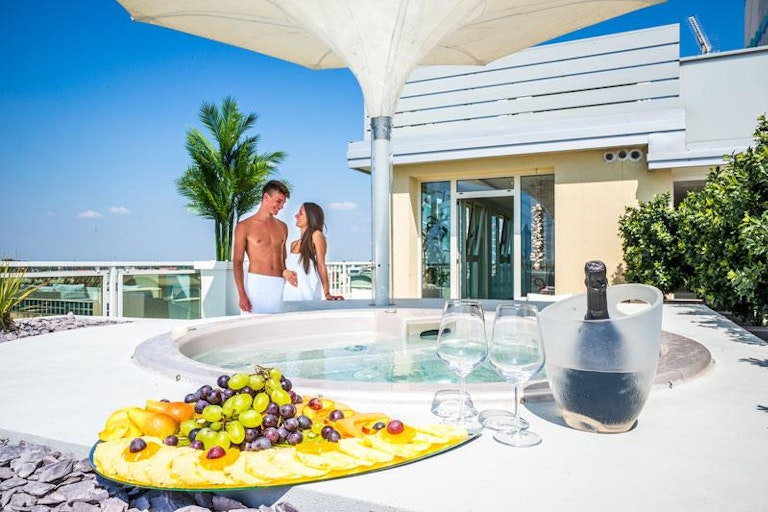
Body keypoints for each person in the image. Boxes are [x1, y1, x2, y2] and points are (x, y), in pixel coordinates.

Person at [233, 180, 290, 314]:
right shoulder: (244, 226)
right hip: (257, 285)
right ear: (266, 197)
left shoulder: (283, 227)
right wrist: (242, 294)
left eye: (283, 203)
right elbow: (237, 262)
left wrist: (287, 273)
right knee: (251, 325)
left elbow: (283, 259)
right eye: (278, 201)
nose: (281, 206)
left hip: (279, 285)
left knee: (277, 325)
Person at [282, 202, 344, 302]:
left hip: (308, 295)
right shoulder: (293, 244)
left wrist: (327, 293)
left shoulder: (316, 235)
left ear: (311, 217)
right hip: (290, 295)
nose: (296, 216)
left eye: (301, 213)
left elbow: (321, 265)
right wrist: (284, 272)